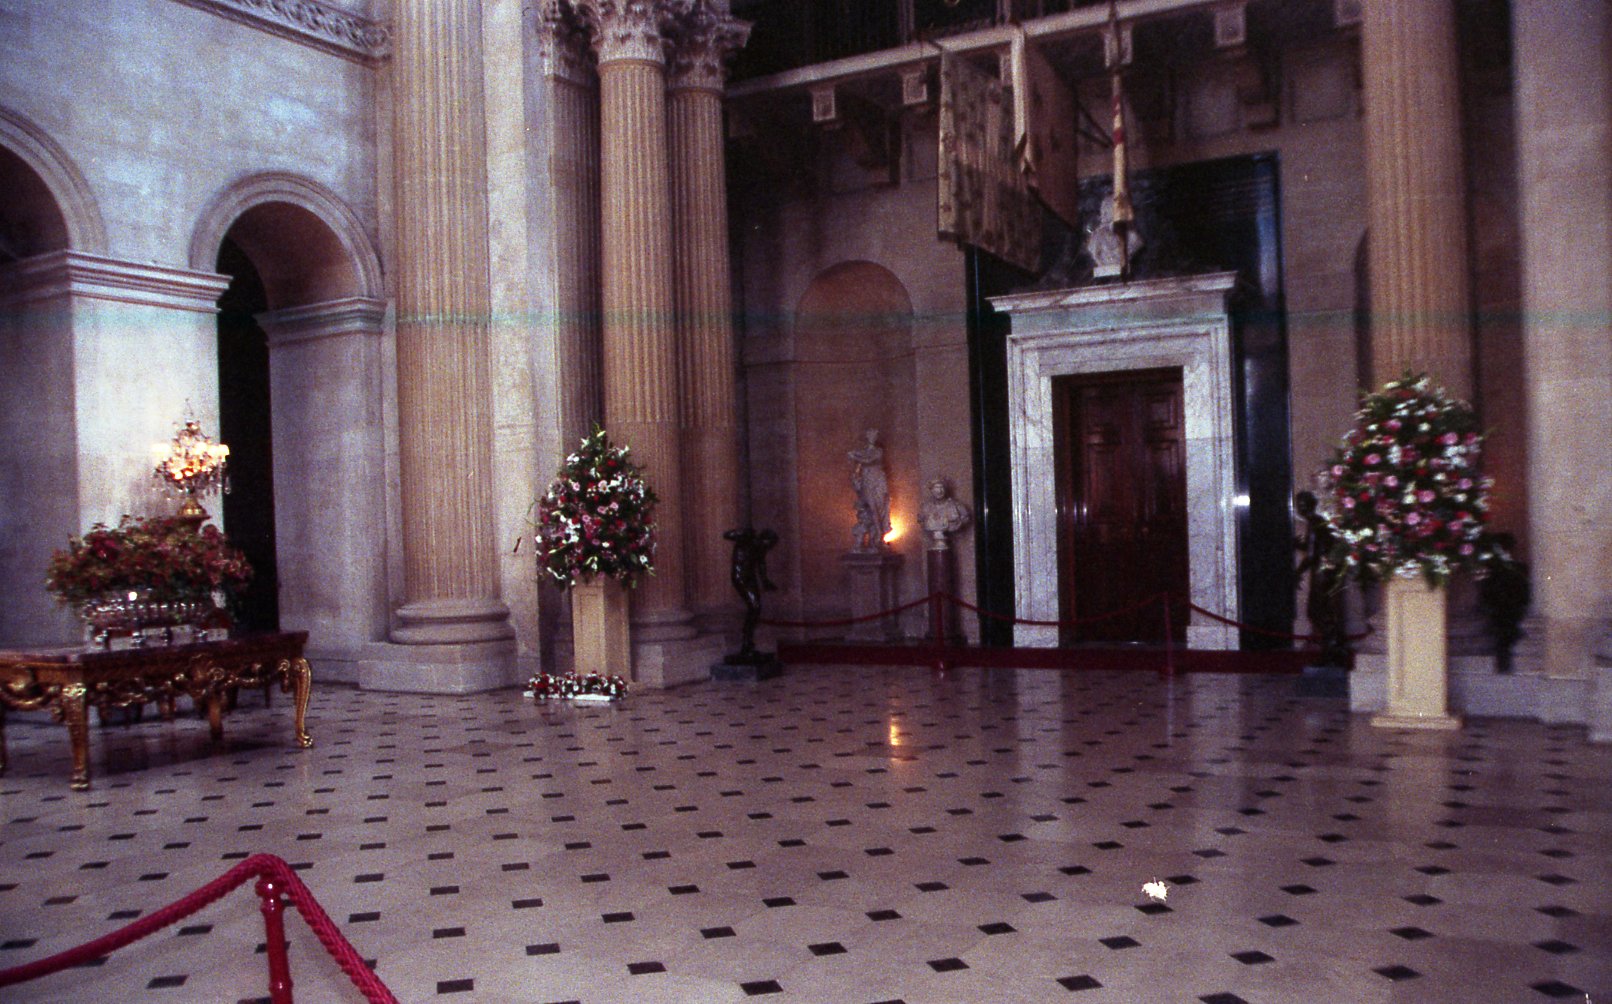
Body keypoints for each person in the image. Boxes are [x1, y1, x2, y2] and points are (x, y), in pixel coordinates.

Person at [1294, 490, 1349, 665]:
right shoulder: (1319, 521)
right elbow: (1316, 547)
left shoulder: (1315, 522)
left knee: (1317, 612)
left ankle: (1331, 653)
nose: (1300, 507)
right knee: (1324, 613)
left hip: (1322, 574)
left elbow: (1312, 555)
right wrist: (1300, 545)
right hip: (1327, 573)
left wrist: (1297, 572)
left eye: (1302, 504)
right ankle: (1332, 651)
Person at [724, 527, 778, 659]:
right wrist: (743, 532)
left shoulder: (760, 549)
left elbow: (761, 565)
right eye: (769, 544)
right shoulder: (746, 540)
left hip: (750, 578)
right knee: (754, 607)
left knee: (755, 608)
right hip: (741, 577)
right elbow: (727, 535)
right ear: (763, 539)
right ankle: (746, 642)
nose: (769, 548)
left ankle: (748, 643)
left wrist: (765, 581)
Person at [848, 429, 891, 551]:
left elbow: (868, 460)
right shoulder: (863, 452)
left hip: (877, 481)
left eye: (875, 435)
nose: (873, 437)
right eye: (870, 435)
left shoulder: (878, 451)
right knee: (871, 507)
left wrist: (854, 456)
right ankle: (877, 533)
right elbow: (857, 470)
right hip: (867, 481)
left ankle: (879, 534)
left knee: (878, 507)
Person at [918, 478, 970, 550]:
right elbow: (921, 520)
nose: (939, 491)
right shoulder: (925, 508)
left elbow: (965, 518)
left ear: (945, 489)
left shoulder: (957, 506)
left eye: (941, 487)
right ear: (931, 490)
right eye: (936, 488)